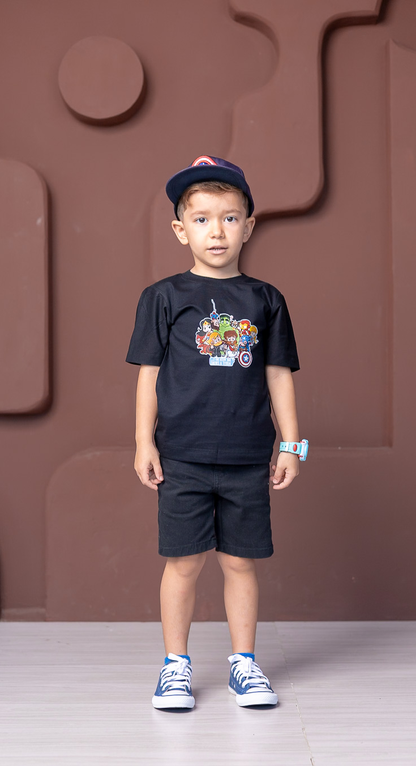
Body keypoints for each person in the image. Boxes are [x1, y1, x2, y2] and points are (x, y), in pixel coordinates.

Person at [126, 155, 306, 710]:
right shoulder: (163, 296)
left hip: (248, 457)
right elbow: (148, 375)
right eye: (201, 219)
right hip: (182, 457)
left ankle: (243, 664)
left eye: (229, 218)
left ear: (248, 227)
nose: (217, 231)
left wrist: (291, 445)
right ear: (181, 230)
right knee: (183, 563)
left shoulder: (266, 299)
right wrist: (144, 442)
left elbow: (278, 375)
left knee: (239, 562)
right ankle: (174, 666)